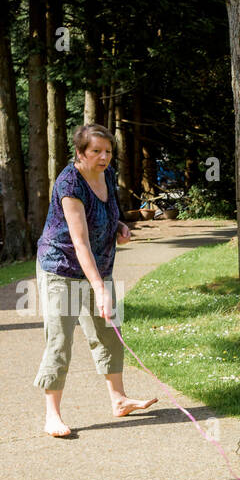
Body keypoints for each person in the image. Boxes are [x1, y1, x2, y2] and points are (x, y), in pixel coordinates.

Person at [33, 123, 156, 437]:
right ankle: (52, 416)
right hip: (61, 268)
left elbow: (105, 209)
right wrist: (100, 289)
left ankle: (119, 400)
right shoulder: (69, 183)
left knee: (109, 332)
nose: (104, 157)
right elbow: (79, 240)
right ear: (80, 152)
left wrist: (119, 225)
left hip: (99, 266)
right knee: (60, 340)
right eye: (96, 151)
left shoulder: (108, 174)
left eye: (108, 151)